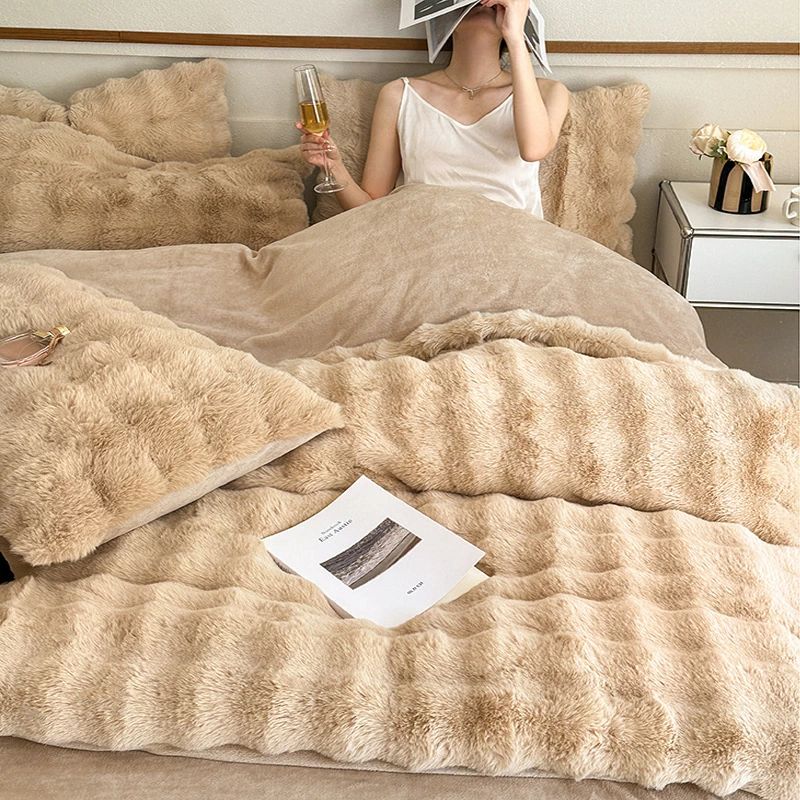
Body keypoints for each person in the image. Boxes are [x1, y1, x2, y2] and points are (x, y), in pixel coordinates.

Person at [296, 0, 569, 218]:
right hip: (425, 243)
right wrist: (334, 166)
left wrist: (516, 37)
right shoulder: (398, 94)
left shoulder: (549, 92)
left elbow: (533, 149)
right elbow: (371, 208)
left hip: (514, 247)